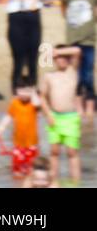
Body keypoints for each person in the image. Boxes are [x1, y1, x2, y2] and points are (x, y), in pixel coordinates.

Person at [2, 0, 48, 90]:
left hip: (33, 14)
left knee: (33, 56)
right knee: (18, 57)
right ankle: (16, 89)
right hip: (16, 15)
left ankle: (33, 87)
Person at [39, 45, 83, 183]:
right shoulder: (48, 76)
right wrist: (48, 115)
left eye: (64, 57)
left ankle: (75, 183)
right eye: (58, 58)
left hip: (70, 118)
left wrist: (56, 51)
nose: (61, 60)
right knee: (54, 152)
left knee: (72, 153)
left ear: (69, 59)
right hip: (55, 117)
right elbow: (42, 97)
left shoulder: (72, 72)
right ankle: (54, 182)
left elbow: (77, 51)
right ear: (53, 60)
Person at [0, 85, 42, 179]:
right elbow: (8, 117)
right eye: (21, 90)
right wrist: (0, 129)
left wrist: (34, 93)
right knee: (17, 171)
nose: (24, 93)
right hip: (18, 144)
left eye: (27, 91)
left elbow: (38, 104)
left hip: (32, 144)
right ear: (16, 90)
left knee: (31, 171)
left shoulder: (34, 103)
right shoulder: (15, 103)